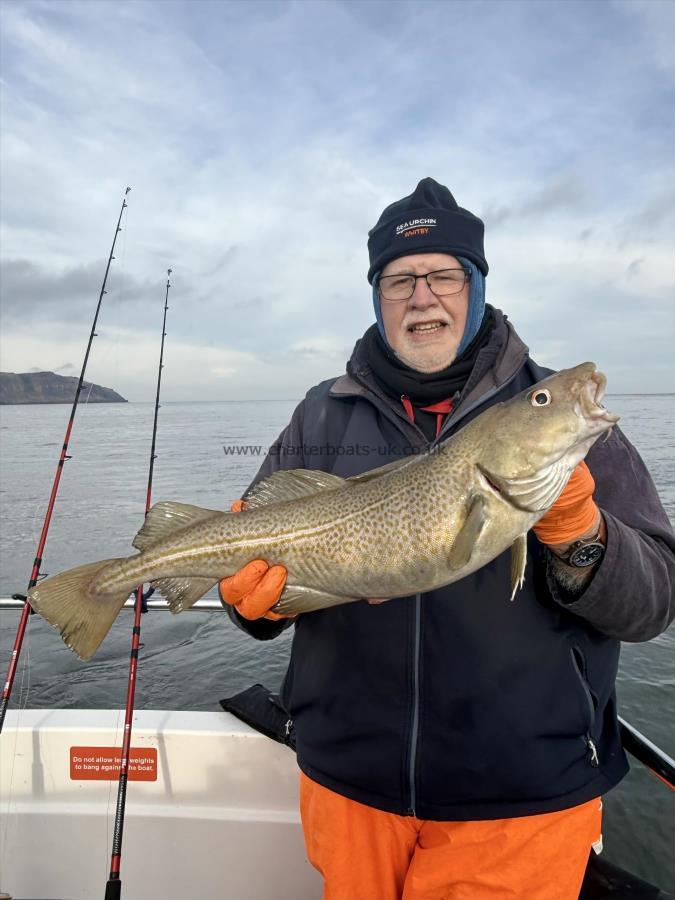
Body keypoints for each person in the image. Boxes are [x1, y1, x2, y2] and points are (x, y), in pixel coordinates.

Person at [219, 178, 675, 899]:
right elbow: (259, 568)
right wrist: (255, 607)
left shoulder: (563, 422)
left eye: (443, 275)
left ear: (477, 287)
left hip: (521, 799)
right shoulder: (319, 415)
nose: (421, 297)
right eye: (399, 279)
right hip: (348, 784)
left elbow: (653, 604)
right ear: (376, 296)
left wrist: (582, 536)